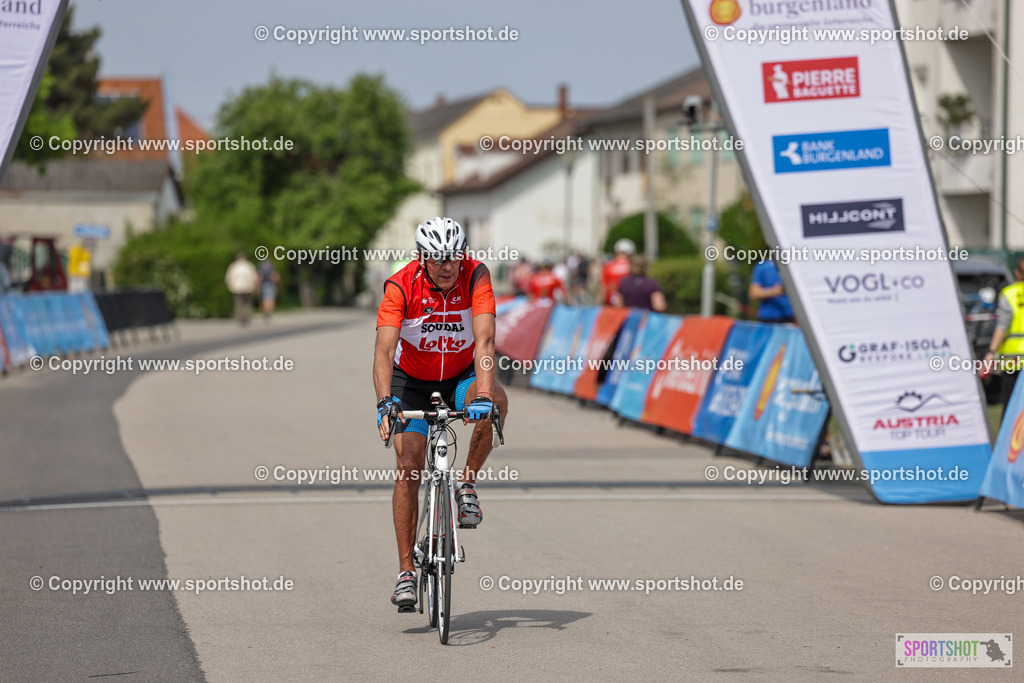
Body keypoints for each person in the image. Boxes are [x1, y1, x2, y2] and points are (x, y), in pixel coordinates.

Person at [374, 216, 509, 611]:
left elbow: (484, 340)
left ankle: (466, 484)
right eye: (438, 259)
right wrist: (385, 402)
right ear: (422, 258)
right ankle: (405, 572)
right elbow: (383, 352)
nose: (448, 266)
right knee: (410, 464)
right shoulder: (400, 285)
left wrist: (482, 394)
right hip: (410, 380)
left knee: (495, 404)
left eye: (454, 257)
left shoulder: (476, 276)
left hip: (461, 374)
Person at [984, 257, 1024, 415]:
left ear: (1017, 273)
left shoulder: (1009, 294)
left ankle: (1009, 439)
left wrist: (991, 352)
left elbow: (1002, 326)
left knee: (1010, 407)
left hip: (1012, 360)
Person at [749, 259, 794, 323]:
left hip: (790, 318)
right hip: (768, 319)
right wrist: (774, 291)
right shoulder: (762, 267)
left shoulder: (793, 267)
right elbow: (753, 294)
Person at [225, 252, 258, 326]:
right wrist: (254, 286)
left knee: (238, 303)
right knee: (247, 303)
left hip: (237, 288)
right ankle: (247, 317)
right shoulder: (249, 266)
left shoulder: (233, 266)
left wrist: (231, 286)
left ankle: (240, 317)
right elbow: (254, 277)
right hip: (248, 287)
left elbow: (229, 278)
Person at [600, 238, 635, 304]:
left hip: (610, 302)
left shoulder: (608, 266)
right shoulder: (632, 266)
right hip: (628, 302)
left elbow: (603, 287)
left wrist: (601, 303)